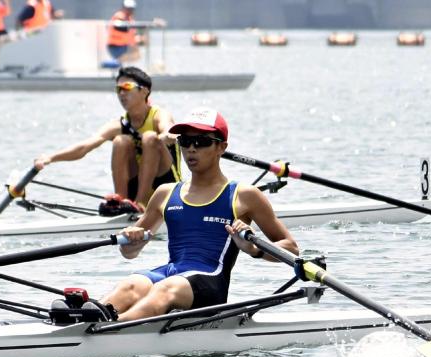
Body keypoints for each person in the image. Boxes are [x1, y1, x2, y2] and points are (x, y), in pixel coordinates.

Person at [92, 107, 298, 322]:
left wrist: (253, 249)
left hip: (210, 283)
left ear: (221, 147)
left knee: (165, 289)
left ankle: (107, 327)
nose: (191, 149)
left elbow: (291, 248)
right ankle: (86, 318)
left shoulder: (244, 195)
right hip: (171, 274)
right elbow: (129, 253)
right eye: (185, 142)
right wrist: (131, 242)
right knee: (130, 284)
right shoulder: (165, 193)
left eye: (201, 141)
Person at [34, 66, 181, 212]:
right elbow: (84, 147)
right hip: (136, 188)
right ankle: (122, 202)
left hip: (167, 189)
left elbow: (169, 130)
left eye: (127, 87)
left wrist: (163, 137)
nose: (122, 93)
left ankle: (141, 203)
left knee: (149, 137)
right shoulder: (118, 125)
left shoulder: (159, 115)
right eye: (118, 89)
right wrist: (49, 158)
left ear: (145, 91)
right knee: (120, 141)